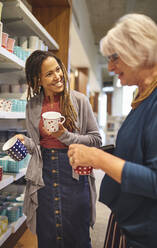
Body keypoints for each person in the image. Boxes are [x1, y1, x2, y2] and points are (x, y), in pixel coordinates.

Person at [68, 13, 157, 248]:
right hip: (128, 221)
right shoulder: (143, 98)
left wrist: (99, 158)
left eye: (115, 57)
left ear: (141, 50)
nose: (110, 66)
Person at [16, 50, 102, 248]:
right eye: (49, 74)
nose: (57, 76)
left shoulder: (78, 100)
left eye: (58, 70)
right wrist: (24, 141)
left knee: (77, 234)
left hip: (74, 174)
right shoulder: (33, 105)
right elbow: (37, 146)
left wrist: (64, 135)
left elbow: (96, 140)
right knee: (48, 234)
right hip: (43, 175)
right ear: (38, 80)